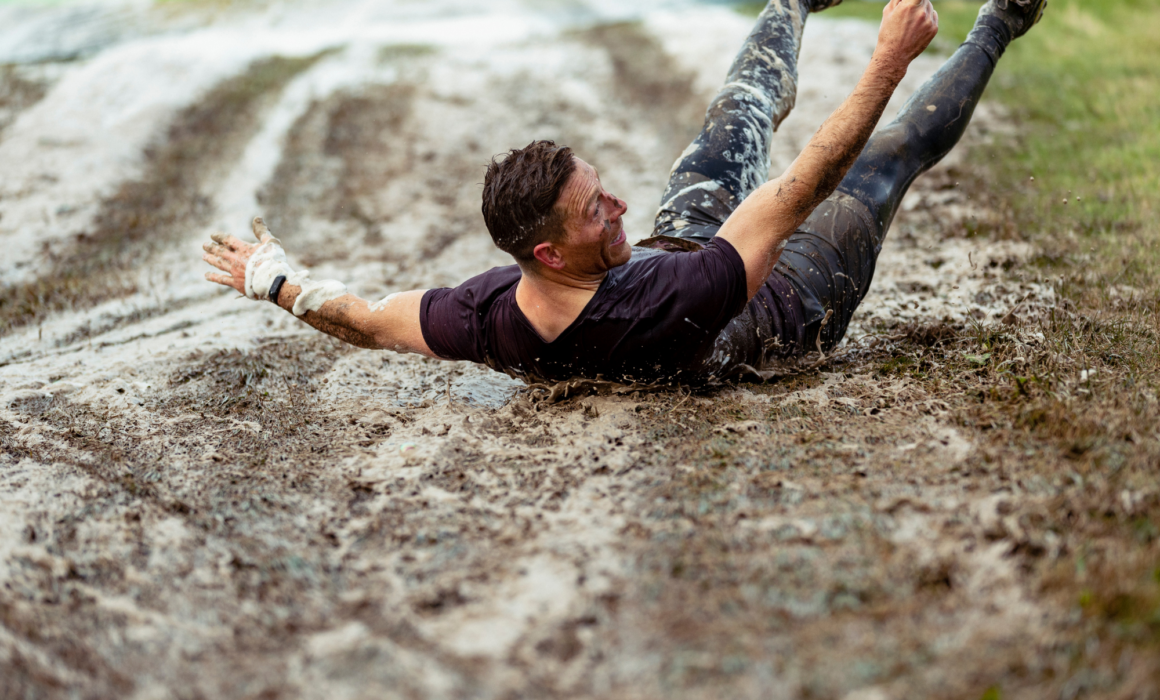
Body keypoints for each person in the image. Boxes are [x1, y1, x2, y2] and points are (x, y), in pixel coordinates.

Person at [202, 0, 1047, 385]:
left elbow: (365, 319)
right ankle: (1004, 18)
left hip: (687, 248)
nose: (616, 208)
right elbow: (801, 184)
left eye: (600, 190)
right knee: (883, 161)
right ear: (549, 250)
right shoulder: (669, 301)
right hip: (778, 301)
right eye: (595, 211)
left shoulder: (490, 312)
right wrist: (888, 60)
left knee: (739, 109)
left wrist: (275, 281)